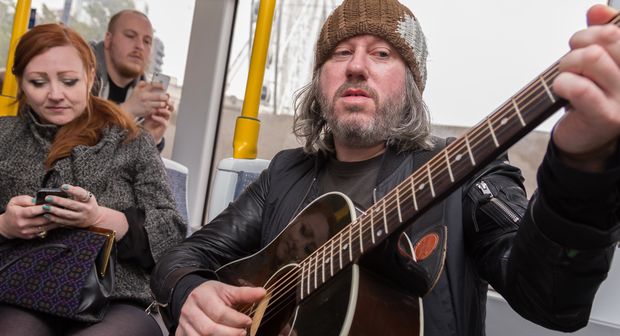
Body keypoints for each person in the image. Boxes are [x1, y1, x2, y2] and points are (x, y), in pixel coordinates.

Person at [150, 1, 620, 335]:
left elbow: (553, 301)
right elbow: (186, 255)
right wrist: (190, 292)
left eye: (381, 54)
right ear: (320, 82)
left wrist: (582, 169)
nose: (356, 67)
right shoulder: (285, 173)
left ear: (411, 85)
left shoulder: (465, 172)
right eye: (340, 53)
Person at [0, 23, 186, 336]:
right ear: (20, 83)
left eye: (69, 81)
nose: (55, 95)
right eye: (38, 82)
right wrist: (5, 225)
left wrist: (100, 218)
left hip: (116, 295)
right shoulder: (5, 136)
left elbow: (172, 231)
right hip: (20, 286)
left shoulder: (131, 139)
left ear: (89, 76)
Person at [91, 9, 172, 151]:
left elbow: (117, 165)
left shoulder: (144, 100)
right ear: (109, 40)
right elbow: (73, 147)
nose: (139, 46)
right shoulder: (78, 75)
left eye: (147, 41)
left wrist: (150, 140)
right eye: (130, 36)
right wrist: (127, 112)